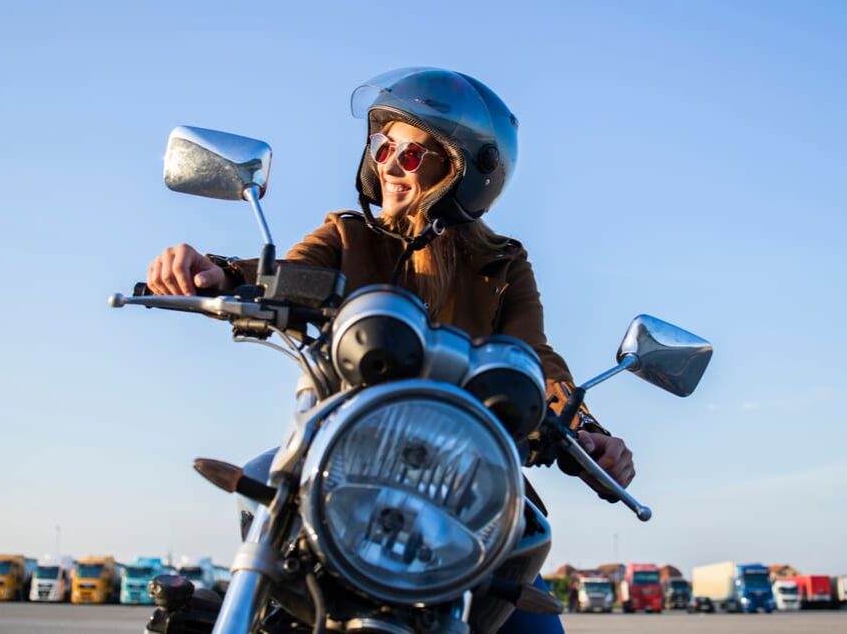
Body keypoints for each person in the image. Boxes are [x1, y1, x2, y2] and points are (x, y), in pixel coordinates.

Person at [145, 67, 635, 632]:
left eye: (410, 154)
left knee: (529, 597)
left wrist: (588, 431)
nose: (387, 165)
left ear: (461, 170)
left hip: (464, 487)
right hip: (340, 463)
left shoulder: (502, 263)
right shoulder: (348, 235)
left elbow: (535, 358)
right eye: (382, 147)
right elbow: (288, 274)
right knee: (261, 495)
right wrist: (217, 272)